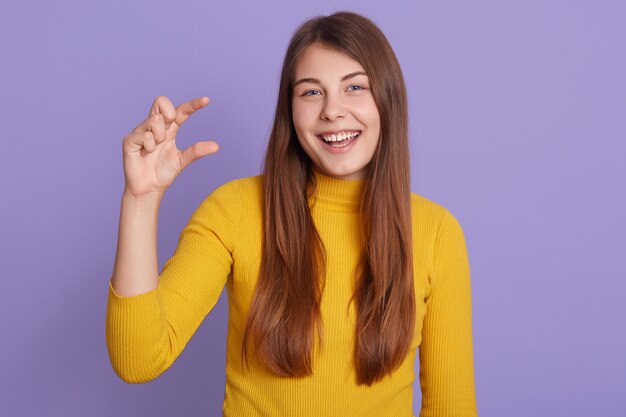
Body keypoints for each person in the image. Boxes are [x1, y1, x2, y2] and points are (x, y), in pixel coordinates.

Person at [106, 11, 479, 417]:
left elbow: (451, 407)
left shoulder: (436, 232)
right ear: (290, 110)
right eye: (311, 92)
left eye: (354, 87)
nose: (333, 111)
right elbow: (138, 358)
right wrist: (140, 200)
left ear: (387, 99)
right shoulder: (233, 211)